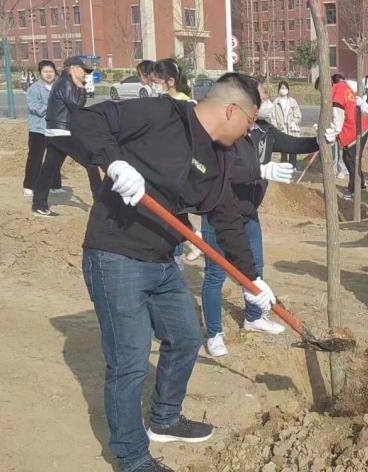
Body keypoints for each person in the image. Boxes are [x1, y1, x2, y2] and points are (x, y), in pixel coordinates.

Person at [72, 73, 276, 472]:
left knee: (184, 339)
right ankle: (131, 458)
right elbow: (86, 121)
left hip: (163, 262)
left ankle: (164, 419)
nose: (249, 132)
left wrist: (252, 281)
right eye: (250, 123)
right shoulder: (161, 114)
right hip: (116, 257)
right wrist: (113, 162)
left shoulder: (220, 158)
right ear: (231, 110)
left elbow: (227, 221)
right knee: (129, 363)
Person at [202, 107, 312, 357]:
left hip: (249, 214)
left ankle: (253, 318)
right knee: (215, 275)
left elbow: (294, 144)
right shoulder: (222, 134)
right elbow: (224, 173)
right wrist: (260, 170)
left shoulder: (263, 132)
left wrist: (322, 140)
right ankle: (214, 333)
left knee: (255, 269)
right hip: (219, 212)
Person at [31, 55, 103, 217]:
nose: (86, 74)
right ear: (73, 69)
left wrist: (80, 87)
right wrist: (82, 88)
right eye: (84, 70)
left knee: (49, 169)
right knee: (91, 162)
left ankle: (38, 205)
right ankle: (100, 203)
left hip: (57, 131)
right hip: (62, 132)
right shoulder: (66, 84)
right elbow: (76, 108)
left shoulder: (67, 83)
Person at [323, 73, 368, 200]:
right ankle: (361, 183)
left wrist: (332, 133)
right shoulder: (345, 88)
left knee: (350, 159)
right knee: (354, 158)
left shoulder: (337, 92)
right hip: (362, 125)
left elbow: (338, 120)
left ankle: (354, 190)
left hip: (354, 129)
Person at [24, 60, 59, 197]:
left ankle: (55, 185)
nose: (49, 74)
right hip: (38, 129)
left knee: (54, 157)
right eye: (45, 71)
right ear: (40, 73)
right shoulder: (35, 88)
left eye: (51, 71)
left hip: (55, 128)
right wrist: (53, 107)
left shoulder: (59, 86)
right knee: (35, 157)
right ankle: (29, 185)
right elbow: (34, 107)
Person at [266, 81, 303, 165]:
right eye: (282, 88)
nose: (283, 90)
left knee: (293, 148)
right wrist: (276, 128)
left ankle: (293, 166)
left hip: (292, 129)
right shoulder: (276, 102)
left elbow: (298, 114)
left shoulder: (293, 101)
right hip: (281, 128)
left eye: (285, 88)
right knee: (284, 149)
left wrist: (294, 122)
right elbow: (273, 117)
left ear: (288, 90)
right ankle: (284, 166)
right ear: (279, 90)